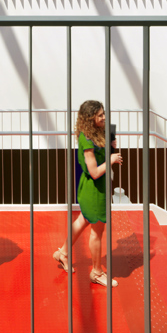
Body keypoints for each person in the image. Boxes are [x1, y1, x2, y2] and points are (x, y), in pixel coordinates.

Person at [53, 99, 122, 287]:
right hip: (94, 189)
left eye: (103, 113)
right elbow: (95, 172)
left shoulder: (95, 133)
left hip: (93, 188)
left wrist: (110, 146)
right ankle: (96, 273)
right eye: (100, 115)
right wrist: (111, 159)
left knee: (82, 221)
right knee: (97, 231)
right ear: (90, 118)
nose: (104, 117)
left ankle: (63, 253)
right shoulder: (87, 141)